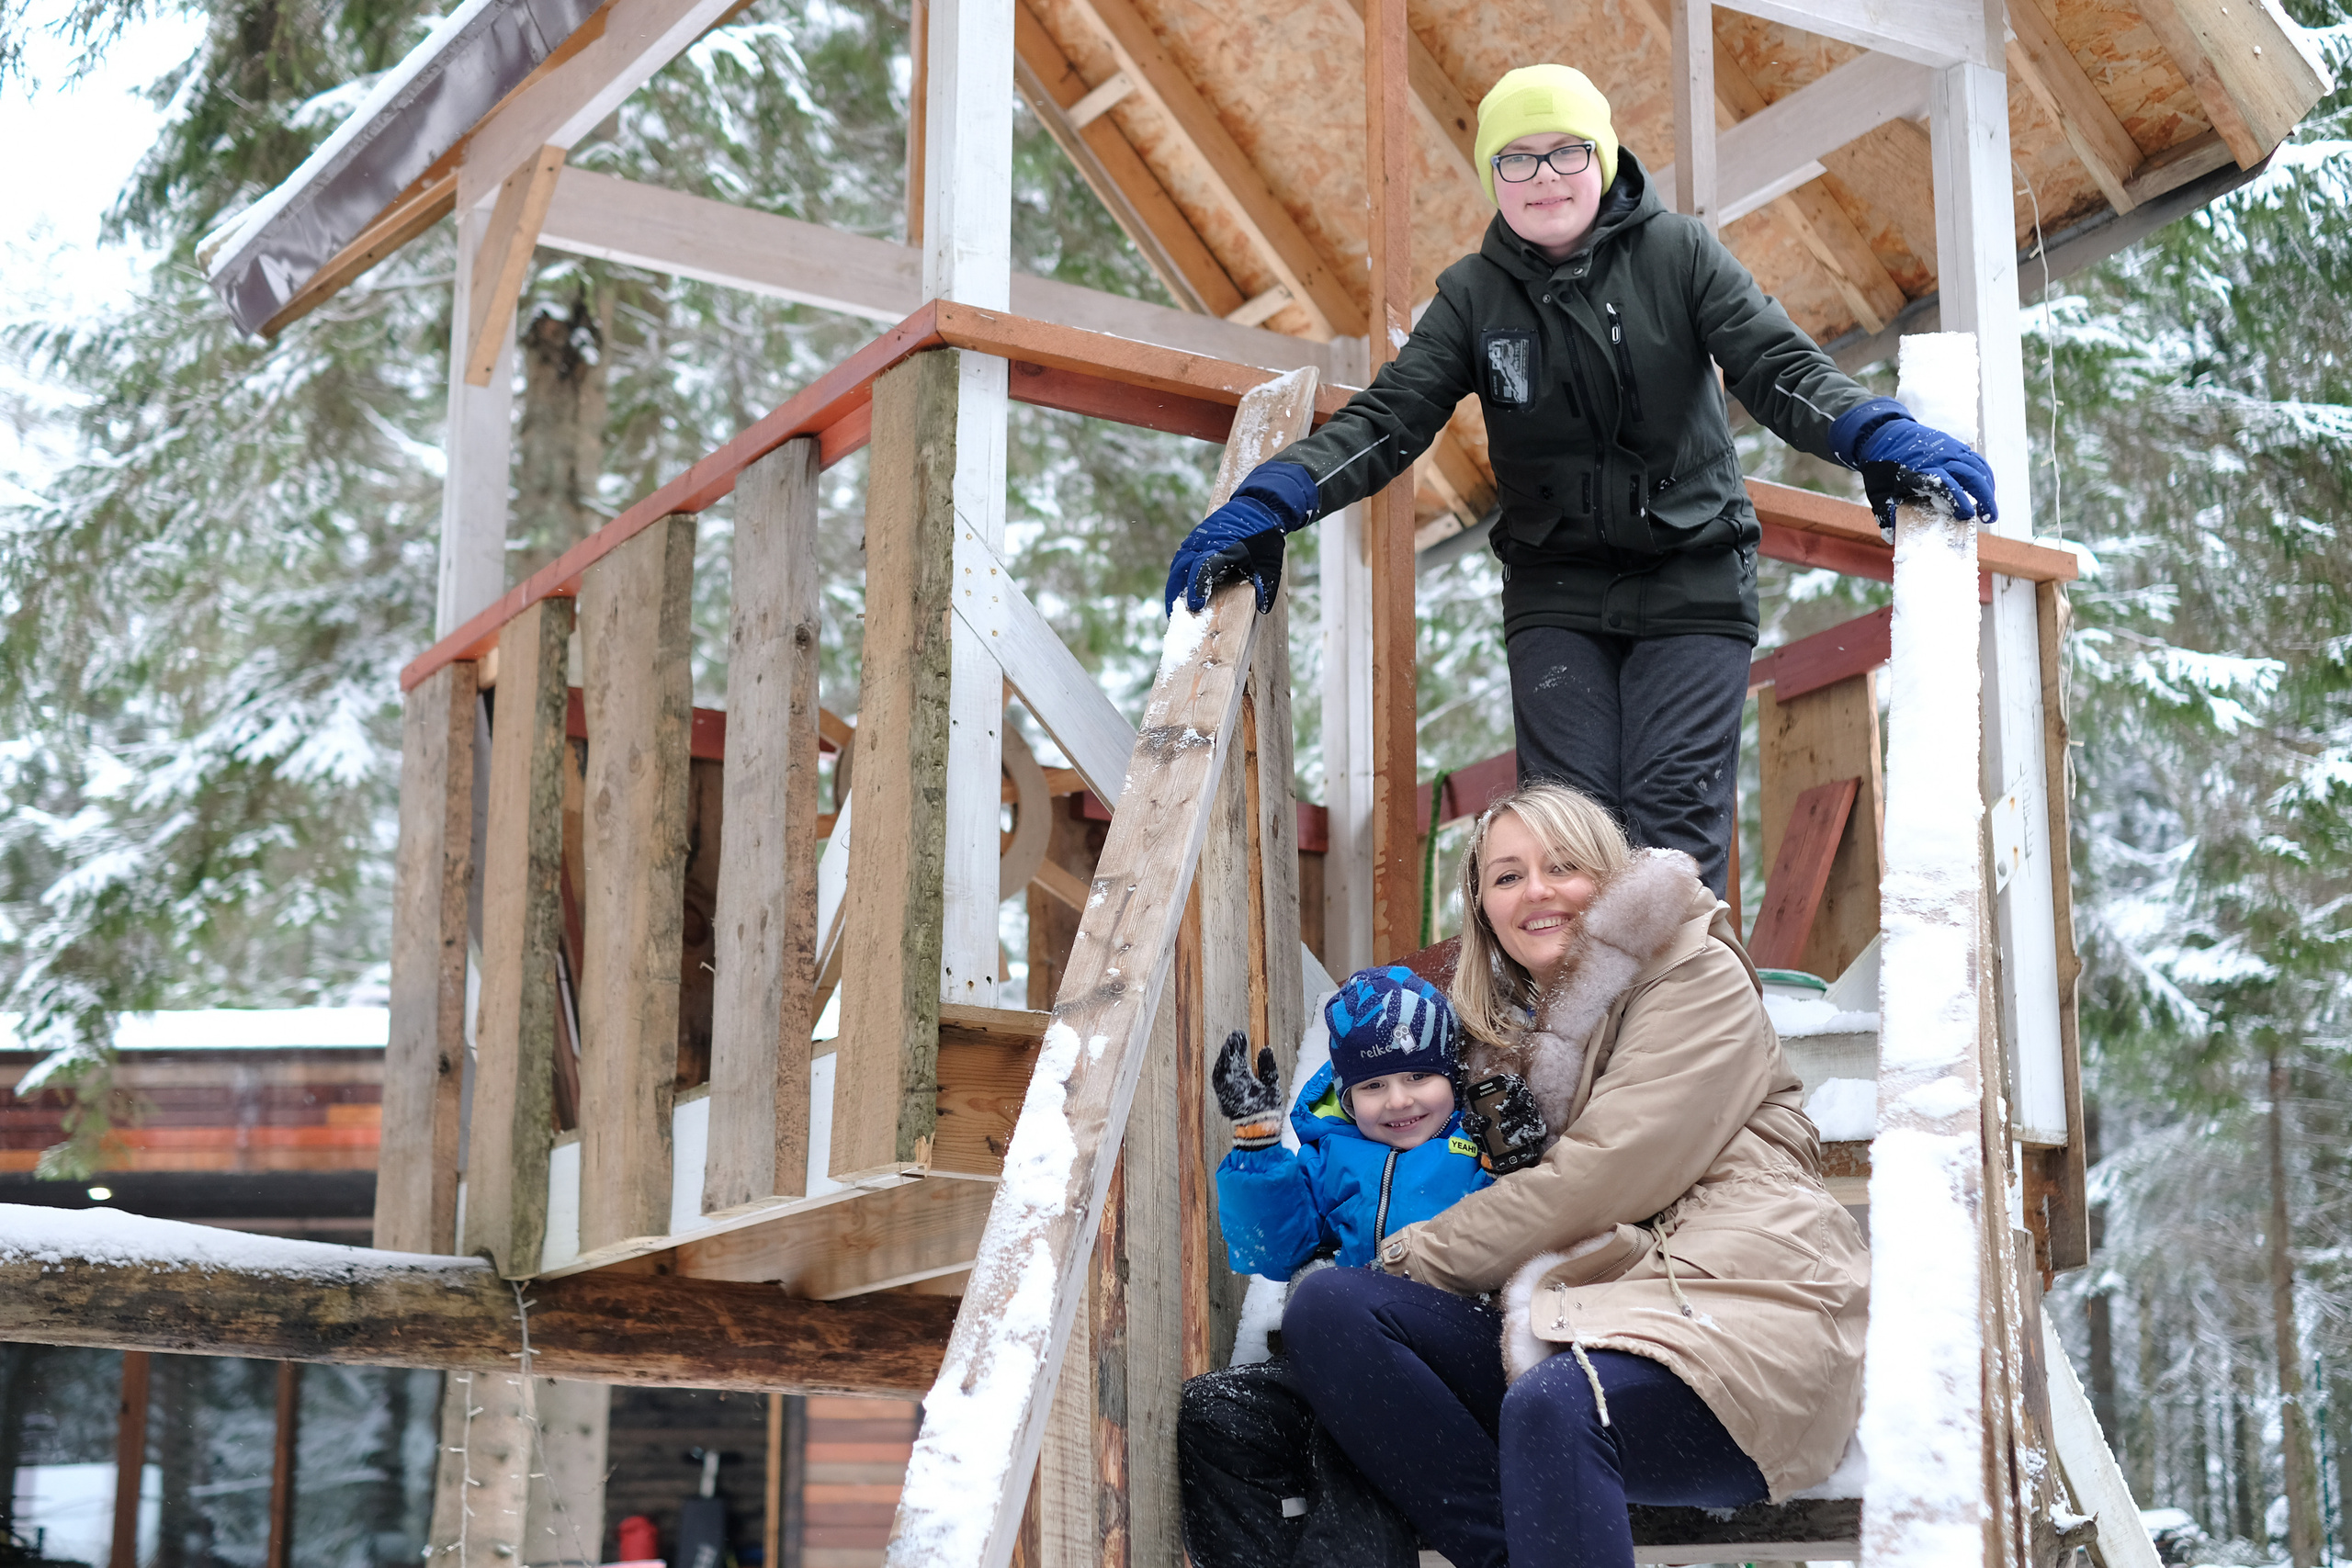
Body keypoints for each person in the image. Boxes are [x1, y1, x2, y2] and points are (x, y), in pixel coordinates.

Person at [1162, 63, 1996, 897]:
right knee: (1570, 830)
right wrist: (1269, 501)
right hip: (1557, 589)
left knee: (1669, 819)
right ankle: (1581, 1028)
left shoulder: (1679, 254)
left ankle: (1681, 1021)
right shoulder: (1473, 298)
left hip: (1693, 572)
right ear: (1494, 178)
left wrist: (1876, 434)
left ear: (1603, 158)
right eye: (1517, 159)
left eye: (1566, 152)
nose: (1545, 177)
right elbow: (1389, 418)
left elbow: (1774, 365)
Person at [1276, 782, 1869, 1568]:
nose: (1537, 892)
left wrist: (1412, 1255)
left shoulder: (1695, 975)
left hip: (1733, 1315)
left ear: (1611, 875)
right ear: (1483, 904)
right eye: (1508, 875)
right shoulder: (1504, 1053)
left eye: (1563, 865)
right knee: (1332, 1310)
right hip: (1585, 1313)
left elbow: (1603, 1177)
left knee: (1558, 1403)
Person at [1180, 965, 1490, 1568]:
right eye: (1373, 1085)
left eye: (1419, 1075)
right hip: (1335, 1359)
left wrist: (1515, 1155)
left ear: (1453, 1075)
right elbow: (1276, 1250)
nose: (1398, 1099)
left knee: (1351, 1441)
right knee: (1215, 1412)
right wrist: (1257, 1142)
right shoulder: (1333, 1156)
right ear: (1347, 1095)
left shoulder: (1475, 1147)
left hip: (1436, 1368)